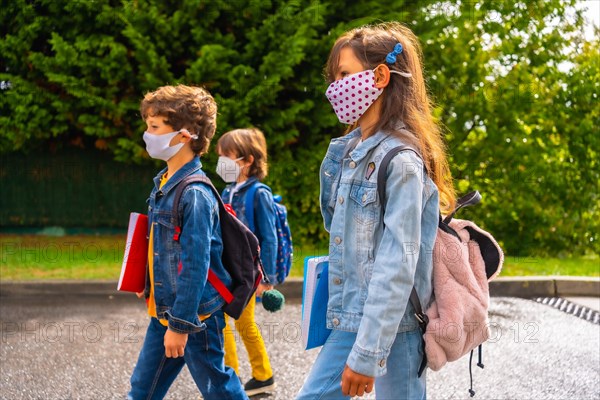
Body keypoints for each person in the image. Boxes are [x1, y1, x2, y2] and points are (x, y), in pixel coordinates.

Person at [296, 22, 456, 400]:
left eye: (344, 75)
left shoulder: (400, 160)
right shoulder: (349, 152)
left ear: (380, 75)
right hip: (356, 316)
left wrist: (366, 355)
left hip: (391, 325)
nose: (334, 87)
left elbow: (397, 263)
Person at [128, 84, 248, 400]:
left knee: (219, 389)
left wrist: (180, 326)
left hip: (195, 318)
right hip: (164, 311)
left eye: (154, 127)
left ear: (184, 136)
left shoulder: (195, 194)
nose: (147, 134)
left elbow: (196, 264)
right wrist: (148, 282)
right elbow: (163, 246)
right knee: (141, 390)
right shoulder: (164, 182)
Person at [215, 128, 278, 397]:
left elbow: (269, 237)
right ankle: (231, 374)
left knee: (243, 322)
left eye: (226, 156)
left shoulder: (258, 193)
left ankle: (262, 375)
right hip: (226, 271)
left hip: (248, 274)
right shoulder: (227, 191)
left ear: (247, 160)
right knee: (222, 321)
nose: (221, 163)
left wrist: (267, 278)